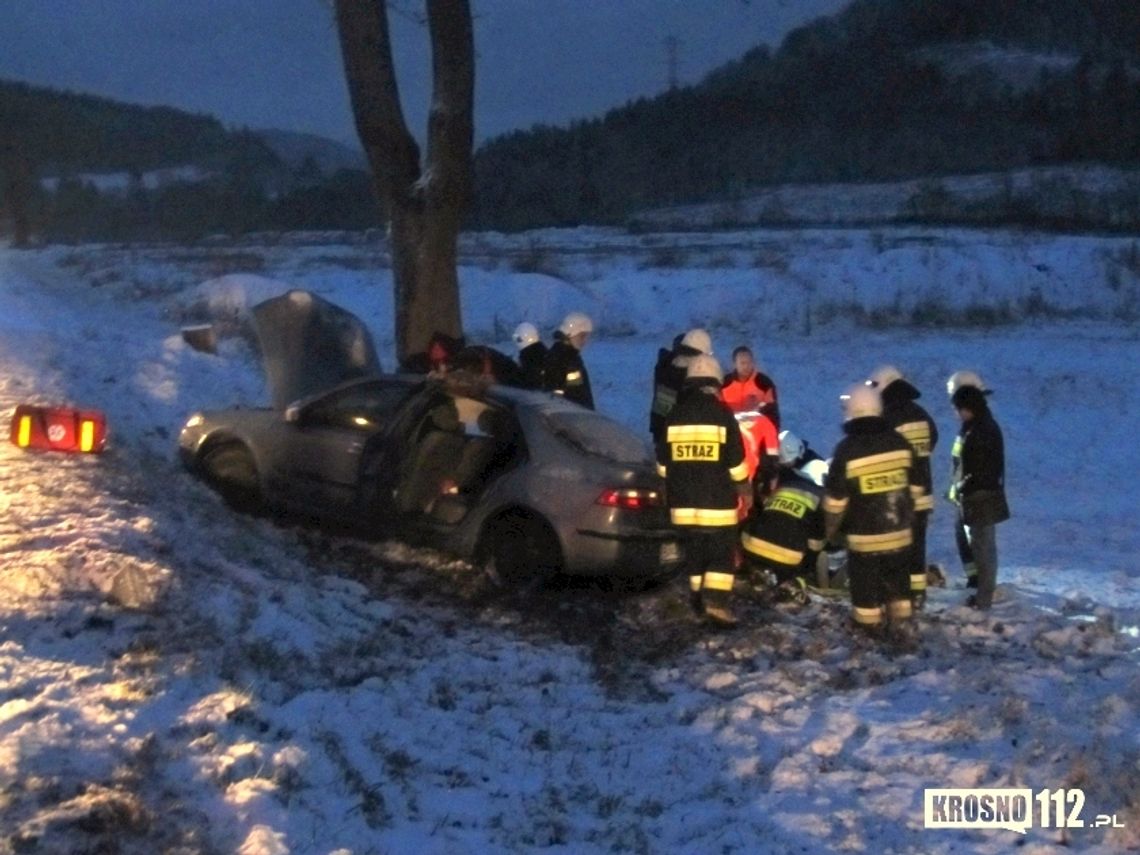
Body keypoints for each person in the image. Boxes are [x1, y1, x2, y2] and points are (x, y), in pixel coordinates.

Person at [656, 354, 751, 626]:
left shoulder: (673, 416)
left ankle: (698, 598)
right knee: (720, 554)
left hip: (683, 506)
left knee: (695, 552)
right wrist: (744, 489)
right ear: (713, 384)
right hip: (717, 505)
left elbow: (663, 465)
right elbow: (736, 464)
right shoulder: (722, 416)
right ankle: (717, 606)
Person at [823, 384, 922, 637]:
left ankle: (868, 630)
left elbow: (835, 501)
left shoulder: (846, 450)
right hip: (900, 534)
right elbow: (917, 487)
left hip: (864, 540)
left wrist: (831, 530)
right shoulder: (900, 443)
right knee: (899, 585)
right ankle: (902, 625)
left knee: (865, 588)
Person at [866, 365, 939, 609]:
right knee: (917, 547)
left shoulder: (889, 416)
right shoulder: (921, 413)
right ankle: (917, 594)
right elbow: (933, 440)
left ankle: (897, 596)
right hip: (923, 494)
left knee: (896, 549)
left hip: (898, 496)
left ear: (885, 386)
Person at [740, 429, 826, 605]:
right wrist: (804, 570)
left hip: (750, 548)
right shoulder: (820, 497)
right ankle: (794, 581)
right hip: (788, 559)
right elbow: (816, 542)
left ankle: (758, 572)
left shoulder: (782, 487)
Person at [947, 372, 1010, 609]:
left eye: (958, 408)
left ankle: (983, 600)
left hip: (979, 497)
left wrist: (963, 485)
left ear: (967, 408)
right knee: (980, 546)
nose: (955, 413)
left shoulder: (979, 431)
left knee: (983, 549)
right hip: (976, 495)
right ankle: (981, 593)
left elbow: (979, 468)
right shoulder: (978, 426)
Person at [649, 328, 712, 443]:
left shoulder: (668, 370)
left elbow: (661, 409)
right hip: (680, 434)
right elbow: (664, 407)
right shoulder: (673, 374)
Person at [544, 311, 595, 409]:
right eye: (582, 336)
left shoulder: (568, 356)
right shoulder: (562, 358)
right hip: (573, 419)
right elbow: (556, 398)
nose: (585, 341)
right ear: (571, 334)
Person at [721, 345, 780, 429]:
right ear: (734, 364)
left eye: (749, 362)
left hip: (757, 432)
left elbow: (773, 415)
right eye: (742, 363)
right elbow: (717, 411)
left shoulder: (764, 383)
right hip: (731, 431)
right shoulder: (724, 384)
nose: (746, 366)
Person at [400, 331, 465, 375]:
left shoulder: (454, 366)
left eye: (440, 348)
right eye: (434, 347)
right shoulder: (416, 361)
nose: (435, 351)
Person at [512, 322, 547, 390]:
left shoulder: (530, 355)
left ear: (526, 338)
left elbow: (528, 380)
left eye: (518, 339)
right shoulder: (539, 349)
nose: (517, 341)